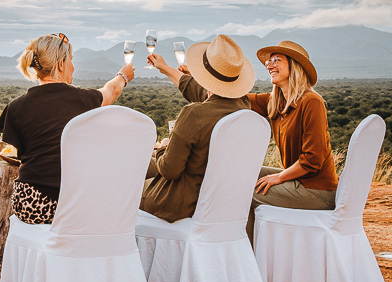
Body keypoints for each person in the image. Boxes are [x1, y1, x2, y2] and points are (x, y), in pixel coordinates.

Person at [0, 33, 135, 225]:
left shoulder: (15, 106)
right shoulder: (82, 99)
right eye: (71, 59)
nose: (73, 65)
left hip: (28, 204)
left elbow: (22, 155)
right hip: (71, 204)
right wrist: (123, 76)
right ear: (60, 64)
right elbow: (112, 91)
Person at [140, 34, 254, 222]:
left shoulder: (194, 114)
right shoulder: (243, 108)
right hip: (219, 201)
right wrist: (167, 69)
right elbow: (200, 91)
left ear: (203, 74)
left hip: (181, 204)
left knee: (132, 185)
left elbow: (170, 170)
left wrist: (162, 148)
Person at [245, 40, 337, 242]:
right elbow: (233, 97)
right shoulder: (275, 101)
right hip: (299, 181)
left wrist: (280, 177)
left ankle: (249, 253)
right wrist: (200, 77)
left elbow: (313, 160)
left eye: (276, 60)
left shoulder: (311, 101)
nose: (269, 65)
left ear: (294, 65)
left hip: (317, 190)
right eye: (269, 61)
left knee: (245, 193)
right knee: (245, 173)